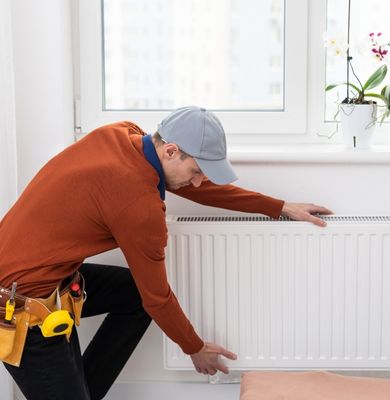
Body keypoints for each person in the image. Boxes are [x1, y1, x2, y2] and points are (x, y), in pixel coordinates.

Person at [0, 106, 332, 399]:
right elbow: (157, 297)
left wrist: (278, 207)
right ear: (171, 151)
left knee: (131, 295)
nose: (200, 183)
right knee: (145, 297)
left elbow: (197, 189)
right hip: (19, 307)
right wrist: (195, 348)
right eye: (197, 171)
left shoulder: (122, 133)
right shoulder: (139, 207)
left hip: (48, 280)